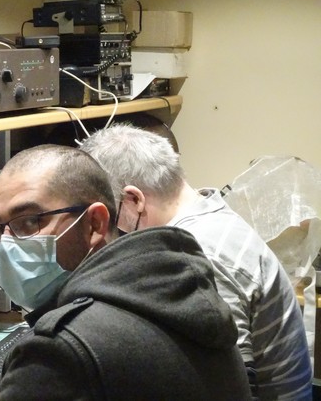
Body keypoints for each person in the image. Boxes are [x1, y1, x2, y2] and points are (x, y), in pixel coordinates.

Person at [0, 144, 250, 401]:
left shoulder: (59, 350)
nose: (9, 244)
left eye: (30, 222)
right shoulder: (169, 283)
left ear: (94, 224)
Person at [80, 123, 312, 400]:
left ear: (133, 199)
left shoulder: (198, 255)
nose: (108, 233)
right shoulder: (211, 217)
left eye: (109, 216)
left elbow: (232, 389)